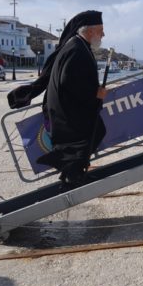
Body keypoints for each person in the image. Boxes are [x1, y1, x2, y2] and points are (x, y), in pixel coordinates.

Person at [35, 10, 108, 186]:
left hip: (69, 107)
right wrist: (95, 95)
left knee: (96, 131)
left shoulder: (79, 45)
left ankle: (74, 171)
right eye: (101, 31)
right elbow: (70, 82)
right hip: (67, 111)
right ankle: (72, 173)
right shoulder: (76, 49)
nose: (103, 35)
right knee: (93, 132)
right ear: (90, 31)